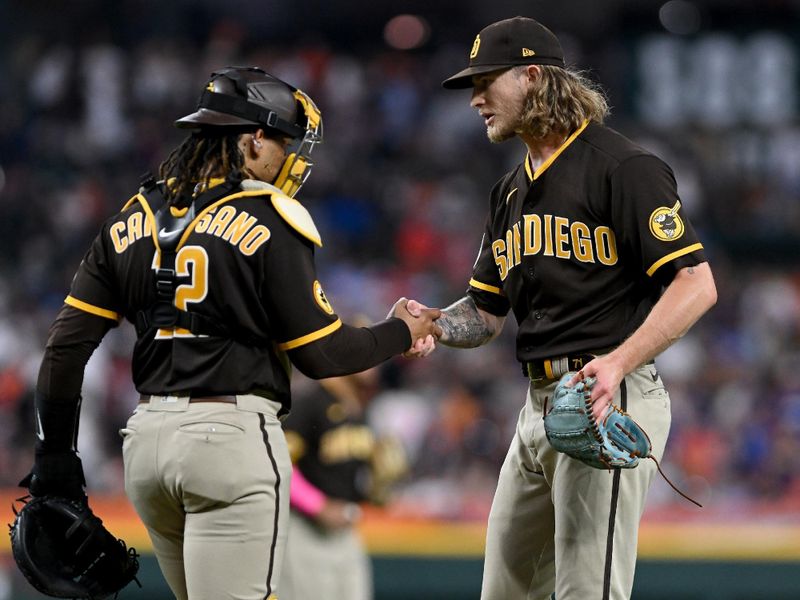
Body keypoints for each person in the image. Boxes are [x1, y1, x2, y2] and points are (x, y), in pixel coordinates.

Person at [19, 66, 439, 600]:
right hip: (230, 441)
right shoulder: (268, 217)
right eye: (284, 142)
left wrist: (54, 455)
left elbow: (63, 351)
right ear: (254, 137)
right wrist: (400, 332)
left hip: (146, 446)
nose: (291, 158)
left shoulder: (132, 216)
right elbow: (323, 355)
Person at [407, 16, 718, 600]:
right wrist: (436, 324)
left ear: (531, 77)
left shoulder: (622, 167)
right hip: (538, 408)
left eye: (484, 82)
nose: (474, 99)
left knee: (587, 591)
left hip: (606, 393)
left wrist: (621, 362)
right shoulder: (509, 190)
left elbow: (697, 283)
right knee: (506, 591)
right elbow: (486, 311)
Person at [280, 358, 407, 600]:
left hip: (346, 531)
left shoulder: (359, 408)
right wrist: (317, 505)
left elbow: (362, 481)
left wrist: (380, 487)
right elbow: (281, 465)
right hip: (305, 531)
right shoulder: (310, 401)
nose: (373, 362)